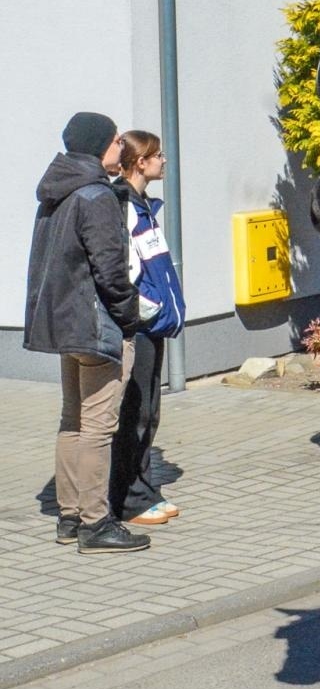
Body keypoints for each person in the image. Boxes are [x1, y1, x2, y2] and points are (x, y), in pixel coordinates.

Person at [25, 112, 149, 553]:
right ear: (101, 146)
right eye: (117, 141)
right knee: (98, 427)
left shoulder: (56, 192)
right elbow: (111, 271)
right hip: (96, 326)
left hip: (65, 325)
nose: (122, 148)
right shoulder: (95, 196)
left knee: (72, 421)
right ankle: (96, 524)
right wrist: (129, 315)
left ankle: (69, 516)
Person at [109, 131, 187, 527]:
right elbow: (122, 270)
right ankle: (128, 499)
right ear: (140, 163)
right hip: (140, 325)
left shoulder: (143, 205)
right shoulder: (123, 206)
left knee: (149, 412)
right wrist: (147, 310)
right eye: (158, 155)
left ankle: (144, 486)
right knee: (134, 413)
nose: (164, 161)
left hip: (153, 325)